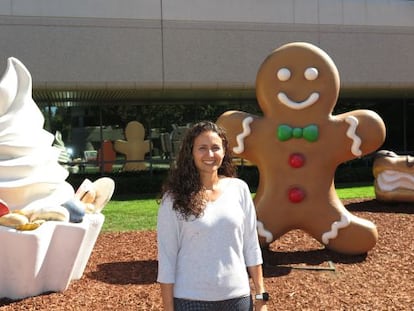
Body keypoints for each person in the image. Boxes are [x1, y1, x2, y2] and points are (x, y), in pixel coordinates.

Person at [157, 121, 268, 311]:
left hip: (238, 299)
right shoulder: (173, 198)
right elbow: (167, 260)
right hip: (191, 301)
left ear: (224, 151)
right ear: (191, 153)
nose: (210, 154)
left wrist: (260, 296)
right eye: (202, 148)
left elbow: (251, 245)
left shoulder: (239, 189)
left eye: (215, 148)